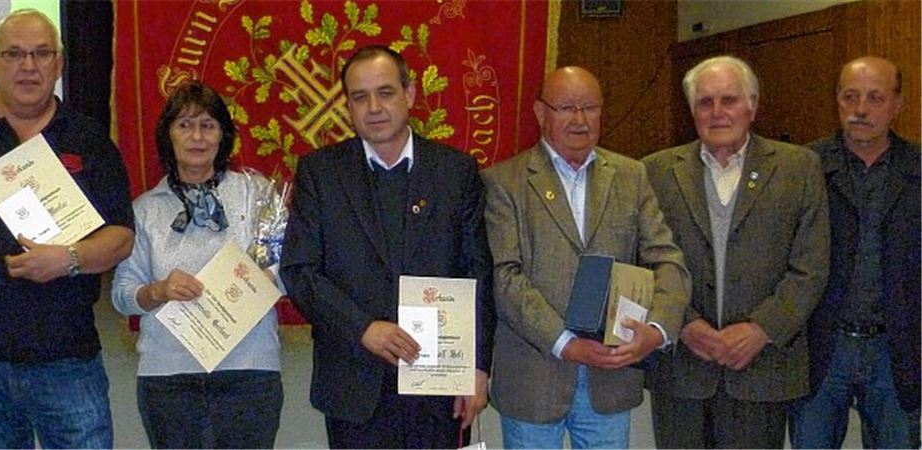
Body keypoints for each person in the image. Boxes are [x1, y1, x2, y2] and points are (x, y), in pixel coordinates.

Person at [0, 9, 134, 449]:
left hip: (66, 357)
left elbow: (121, 238)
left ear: (59, 63)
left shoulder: (89, 139)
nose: (28, 66)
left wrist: (68, 259)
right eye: (14, 54)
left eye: (41, 54)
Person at [281, 45, 493, 449]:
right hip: (353, 381)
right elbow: (300, 271)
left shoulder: (455, 171)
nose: (374, 107)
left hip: (439, 384)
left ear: (410, 95)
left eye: (386, 92)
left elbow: (477, 273)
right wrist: (362, 328)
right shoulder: (320, 173)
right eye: (360, 97)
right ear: (347, 105)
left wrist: (478, 367)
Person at [482, 66, 689, 449]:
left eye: (590, 107)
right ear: (541, 113)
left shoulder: (632, 176)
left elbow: (668, 261)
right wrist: (565, 342)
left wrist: (656, 331)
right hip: (534, 376)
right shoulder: (503, 182)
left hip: (611, 378)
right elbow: (505, 277)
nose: (580, 120)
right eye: (566, 108)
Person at [641, 55, 830, 449]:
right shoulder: (655, 171)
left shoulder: (799, 168)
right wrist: (683, 324)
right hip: (683, 368)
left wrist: (761, 330)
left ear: (753, 105)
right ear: (692, 111)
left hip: (762, 368)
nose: (717, 112)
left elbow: (810, 266)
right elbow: (643, 260)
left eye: (729, 100)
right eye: (705, 102)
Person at [111, 81, 284, 448]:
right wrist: (158, 290)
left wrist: (266, 276)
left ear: (224, 136)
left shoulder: (258, 194)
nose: (197, 137)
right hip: (168, 378)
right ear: (168, 136)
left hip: (249, 372)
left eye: (208, 125)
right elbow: (122, 296)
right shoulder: (145, 210)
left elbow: (287, 271)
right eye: (185, 125)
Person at [788, 56, 920, 449]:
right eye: (851, 97)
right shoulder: (803, 168)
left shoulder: (918, 170)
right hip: (822, 346)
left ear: (898, 103)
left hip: (897, 349)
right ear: (837, 101)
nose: (861, 110)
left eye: (875, 98)